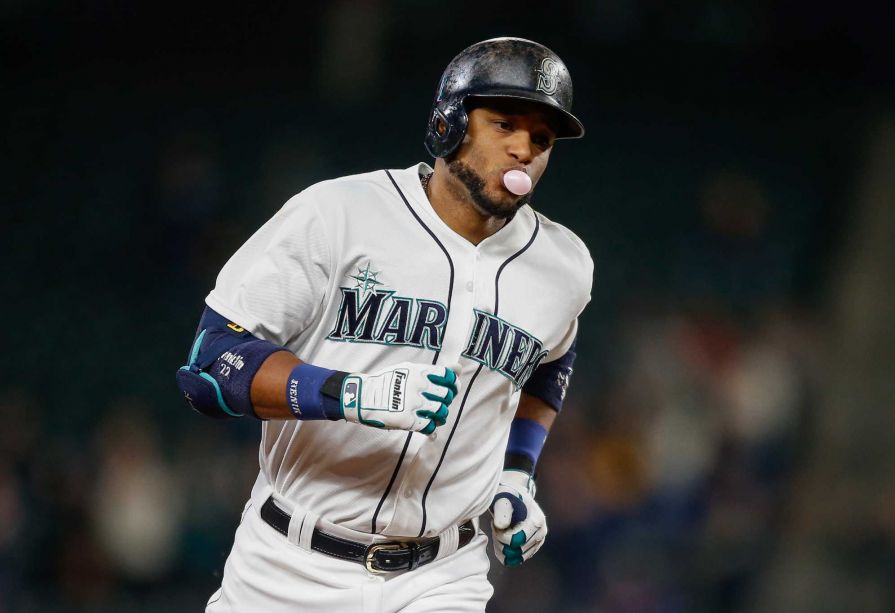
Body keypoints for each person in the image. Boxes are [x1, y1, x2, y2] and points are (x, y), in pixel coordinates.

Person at [176, 36, 593, 612]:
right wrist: (351, 394)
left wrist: (517, 472)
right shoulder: (338, 214)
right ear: (449, 123)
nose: (524, 149)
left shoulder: (563, 266)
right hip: (288, 568)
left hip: (444, 577)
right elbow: (209, 366)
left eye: (541, 139)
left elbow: (548, 366)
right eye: (504, 125)